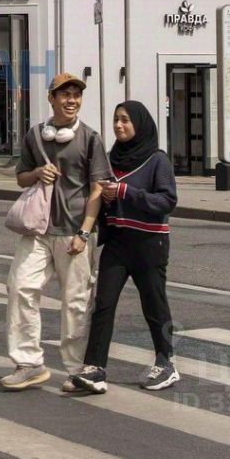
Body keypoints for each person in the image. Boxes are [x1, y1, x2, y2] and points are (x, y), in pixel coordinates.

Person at [1, 72, 111, 393]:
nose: (72, 100)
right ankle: (29, 363)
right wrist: (37, 172)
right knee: (20, 286)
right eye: (65, 94)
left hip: (74, 232)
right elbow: (21, 178)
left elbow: (97, 189)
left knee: (76, 302)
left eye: (76, 94)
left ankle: (77, 370)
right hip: (38, 229)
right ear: (52, 98)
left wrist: (84, 233)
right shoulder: (36, 135)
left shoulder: (90, 138)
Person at [70, 101, 179, 394]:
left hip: (149, 243)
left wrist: (125, 191)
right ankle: (95, 367)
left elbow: (167, 201)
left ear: (139, 124)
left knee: (154, 304)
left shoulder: (157, 160)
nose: (119, 125)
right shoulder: (110, 159)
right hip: (118, 242)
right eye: (116, 119)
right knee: (103, 304)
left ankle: (166, 362)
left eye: (125, 120)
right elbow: (103, 199)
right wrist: (107, 201)